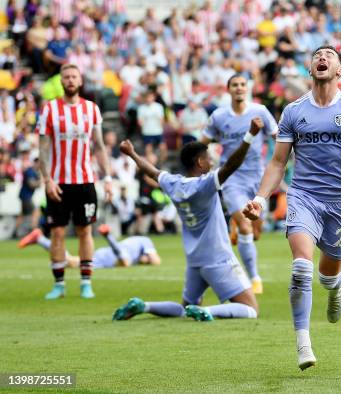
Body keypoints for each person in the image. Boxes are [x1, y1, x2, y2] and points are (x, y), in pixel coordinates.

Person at [242, 45, 341, 370]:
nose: (322, 58)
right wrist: (260, 198)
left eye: (329, 55)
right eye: (317, 55)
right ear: (310, 69)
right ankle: (303, 344)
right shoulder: (293, 111)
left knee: (329, 274)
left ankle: (334, 287)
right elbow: (278, 162)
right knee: (301, 268)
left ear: (340, 69)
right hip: (304, 197)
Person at [112, 118, 263, 322]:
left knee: (185, 307)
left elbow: (152, 172)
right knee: (251, 309)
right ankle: (209, 311)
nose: (212, 162)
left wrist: (132, 154)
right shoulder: (205, 184)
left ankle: (144, 306)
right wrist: (250, 135)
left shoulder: (173, 183)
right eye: (208, 158)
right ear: (200, 163)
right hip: (218, 258)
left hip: (194, 261)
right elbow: (232, 165)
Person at [36, 63, 112, 300]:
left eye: (74, 77)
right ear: (61, 81)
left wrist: (108, 177)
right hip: (58, 182)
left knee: (84, 230)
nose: (70, 80)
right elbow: (43, 149)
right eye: (66, 77)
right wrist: (47, 180)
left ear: (80, 81)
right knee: (57, 232)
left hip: (85, 181)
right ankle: (59, 284)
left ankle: (86, 282)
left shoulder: (91, 109)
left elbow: (99, 146)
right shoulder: (49, 110)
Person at [202, 74, 278, 295]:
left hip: (258, 177)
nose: (239, 88)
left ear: (248, 88)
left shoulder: (260, 111)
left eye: (243, 84)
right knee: (246, 226)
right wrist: (203, 161)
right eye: (235, 85)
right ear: (228, 90)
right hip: (232, 177)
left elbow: (277, 136)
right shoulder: (218, 116)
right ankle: (254, 278)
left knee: (256, 231)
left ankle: (238, 229)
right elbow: (202, 142)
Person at [18, 225, 161, 268]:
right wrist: (147, 260)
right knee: (125, 262)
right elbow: (156, 261)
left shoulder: (141, 243)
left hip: (106, 258)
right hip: (115, 253)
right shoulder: (146, 242)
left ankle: (41, 240)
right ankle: (108, 236)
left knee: (72, 262)